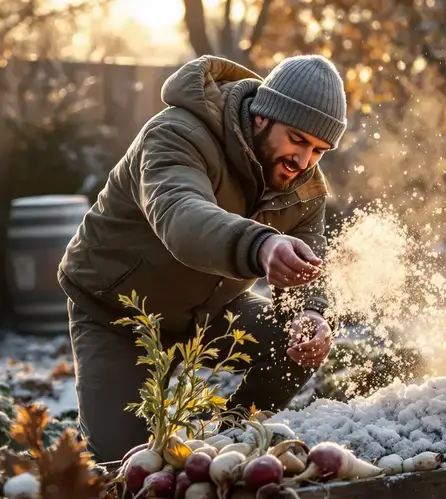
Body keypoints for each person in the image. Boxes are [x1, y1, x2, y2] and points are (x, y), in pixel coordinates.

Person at [56, 54, 347, 462]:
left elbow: (308, 260)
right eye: (297, 139)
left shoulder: (305, 187)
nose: (303, 161)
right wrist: (261, 245)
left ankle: (227, 445)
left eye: (319, 150)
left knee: (296, 342)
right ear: (262, 116)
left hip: (212, 308)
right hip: (119, 313)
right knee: (125, 465)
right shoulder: (176, 133)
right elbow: (180, 215)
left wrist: (311, 310)